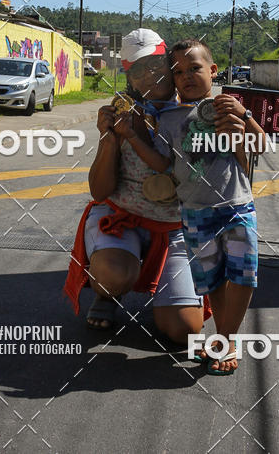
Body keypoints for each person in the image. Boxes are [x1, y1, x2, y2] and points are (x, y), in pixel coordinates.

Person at [114, 38, 266, 375]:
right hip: (195, 213)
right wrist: (132, 136)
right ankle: (222, 338)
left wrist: (246, 116)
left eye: (195, 68)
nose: (186, 76)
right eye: (178, 71)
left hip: (237, 206)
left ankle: (228, 339)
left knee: (242, 276)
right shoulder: (166, 119)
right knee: (214, 281)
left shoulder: (227, 105)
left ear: (213, 70)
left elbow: (260, 145)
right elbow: (161, 163)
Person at [64, 29, 205, 344]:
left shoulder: (198, 111)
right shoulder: (121, 116)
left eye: (156, 64)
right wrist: (108, 137)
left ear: (170, 63)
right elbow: (99, 192)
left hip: (176, 227)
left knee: (185, 331)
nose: (150, 75)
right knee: (115, 274)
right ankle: (108, 294)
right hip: (123, 218)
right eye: (139, 70)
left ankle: (168, 290)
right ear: (130, 77)